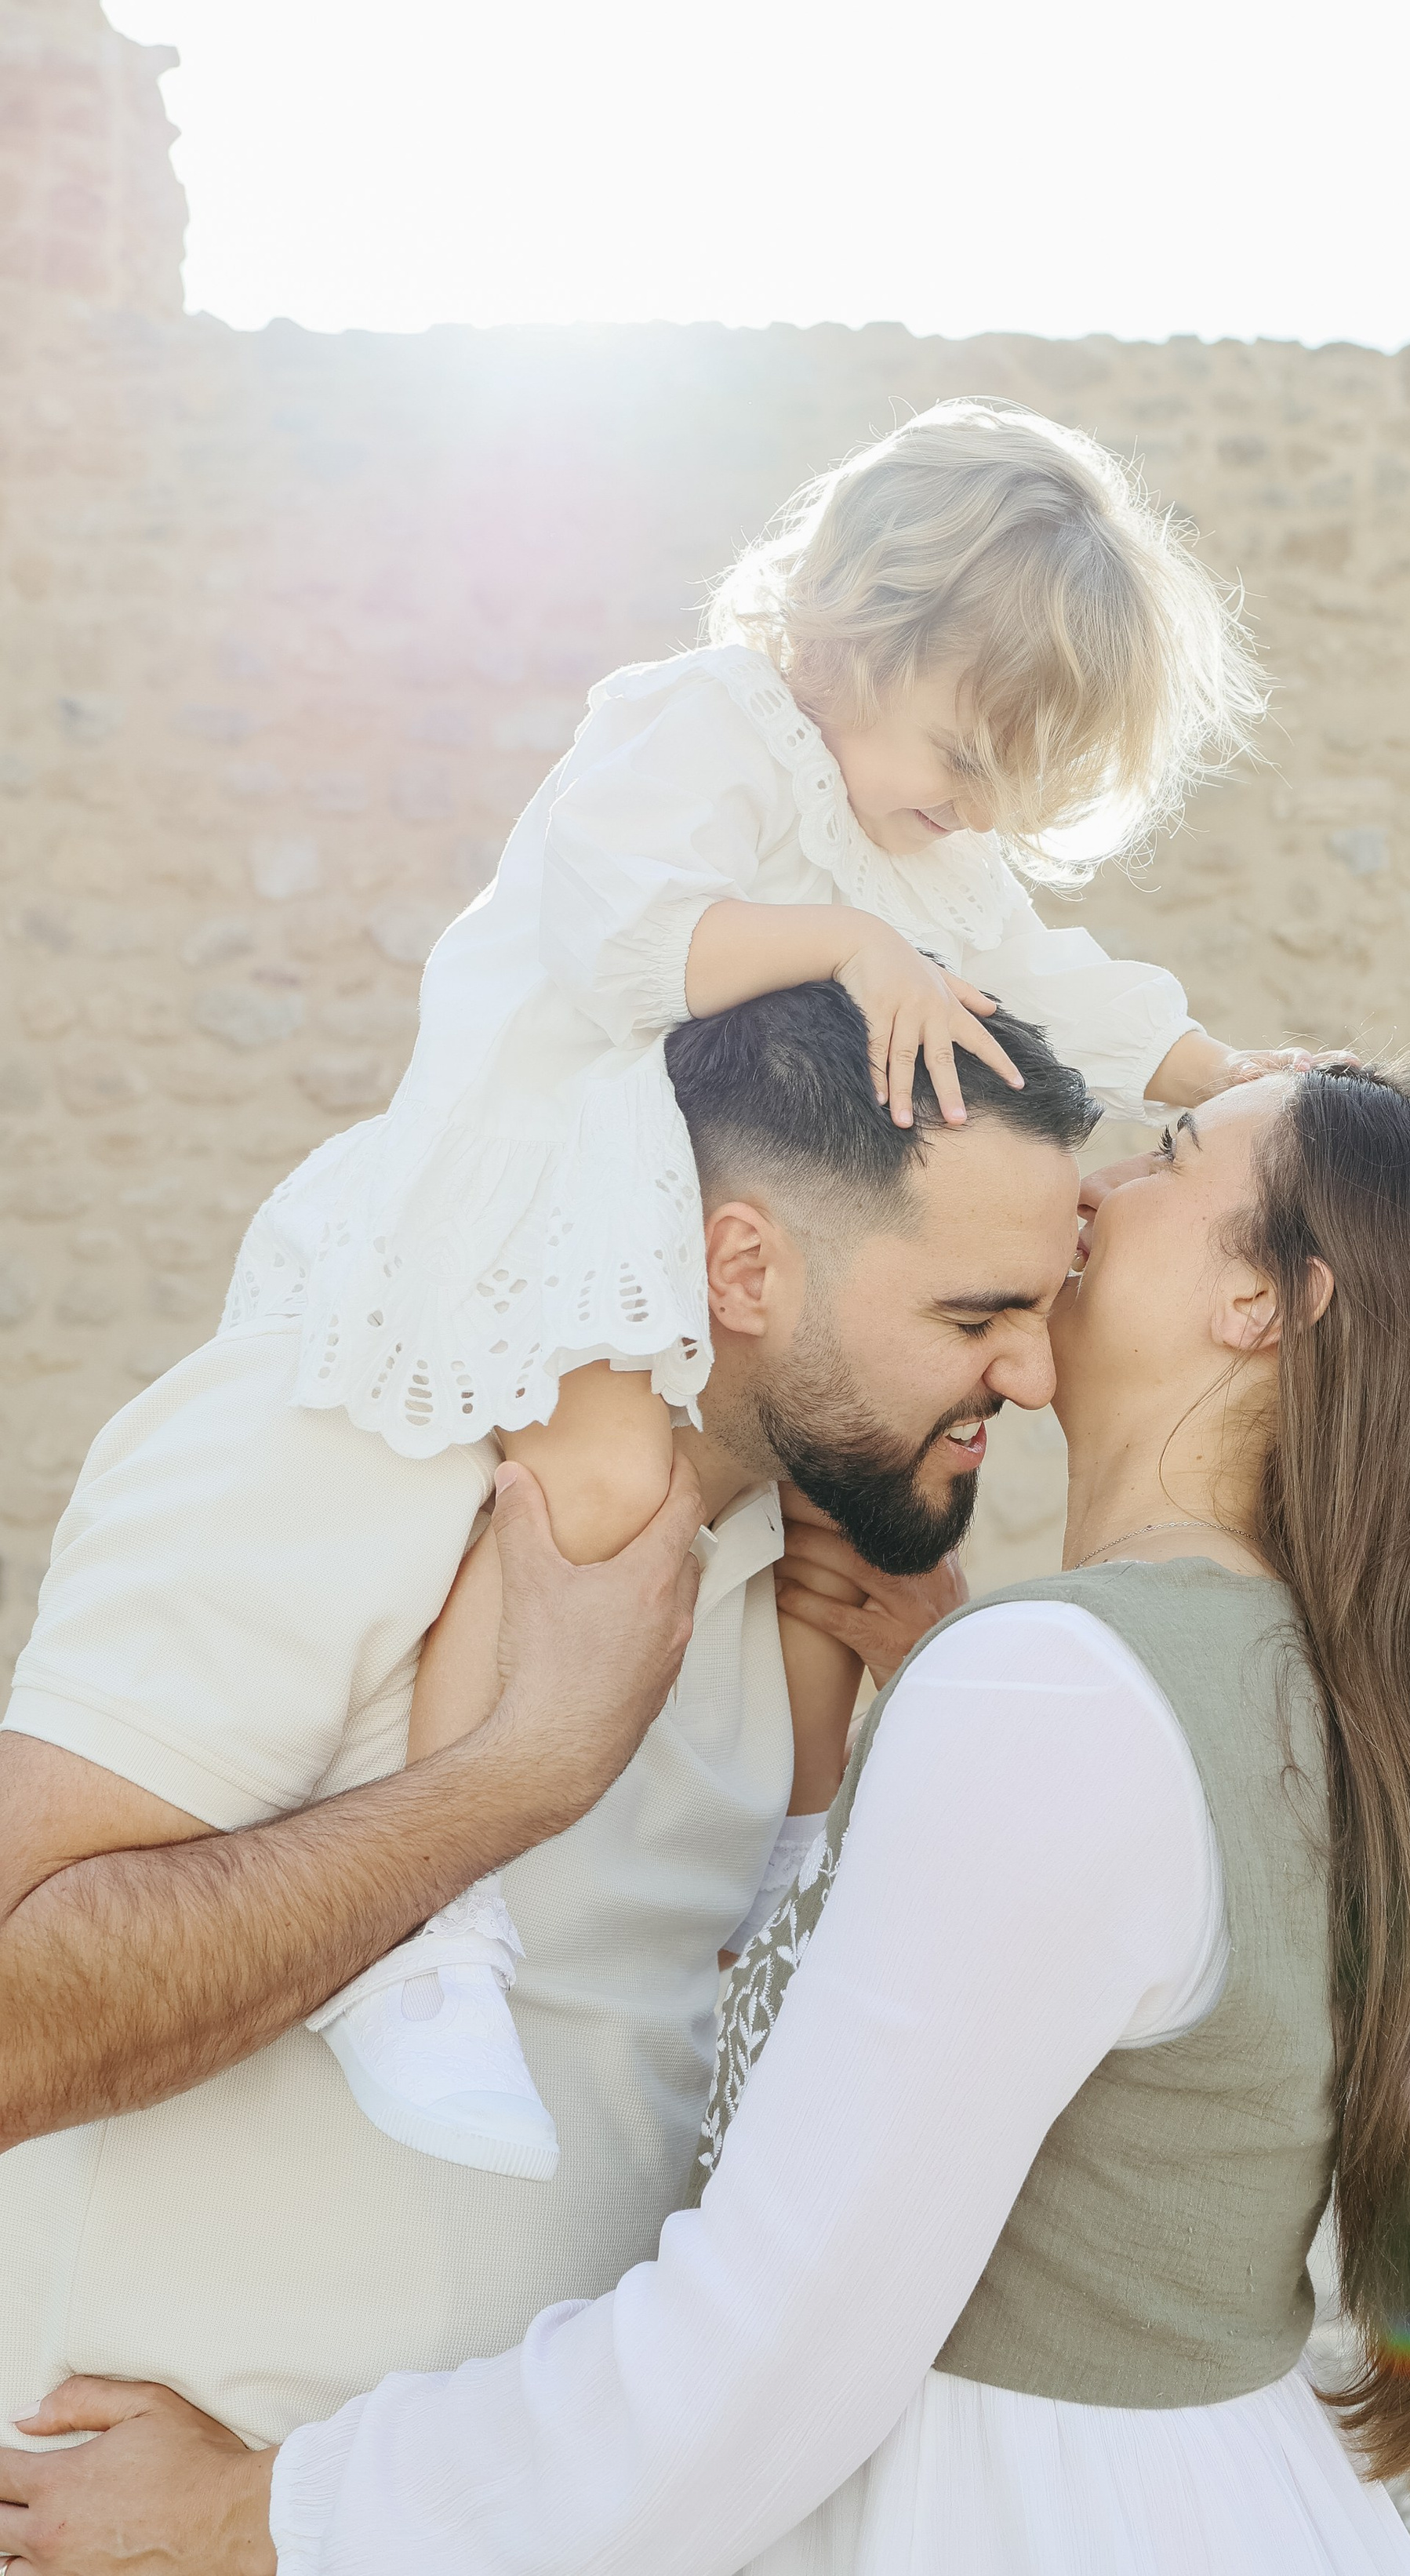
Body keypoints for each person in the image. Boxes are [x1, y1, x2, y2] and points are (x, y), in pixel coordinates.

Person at [3, 1059, 1410, 2575]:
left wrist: (268, 2514)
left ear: (1261, 1301)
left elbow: (765, 2356)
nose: (1092, 1193)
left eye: (1169, 1156)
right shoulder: (1268, 1676)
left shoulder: (1061, 1697)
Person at [209, 395, 1306, 2169]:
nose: (964, 812)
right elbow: (619, 934)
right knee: (596, 1483)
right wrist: (846, 943)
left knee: (853, 1532)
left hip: (728, 1210)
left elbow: (1063, 988)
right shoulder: (702, 730)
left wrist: (1223, 1079)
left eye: (999, 793)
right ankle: (424, 1930)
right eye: (957, 752)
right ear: (843, 630)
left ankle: (788, 1860)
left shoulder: (930, 842)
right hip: (562, 1159)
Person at [0, 987, 1095, 2451]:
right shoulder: (340, 1424)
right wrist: (516, 1777)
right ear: (743, 1267)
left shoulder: (810, 1570)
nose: (1034, 1374)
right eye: (977, 1316)